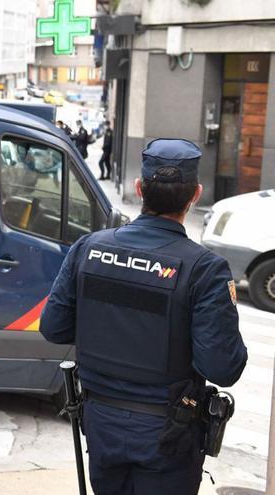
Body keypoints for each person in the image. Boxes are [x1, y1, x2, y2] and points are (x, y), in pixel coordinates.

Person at [39, 138, 248, 495]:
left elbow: (54, 328)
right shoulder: (204, 270)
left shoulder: (88, 249)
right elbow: (223, 368)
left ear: (139, 189)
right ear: (195, 195)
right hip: (168, 437)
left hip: (102, 427)